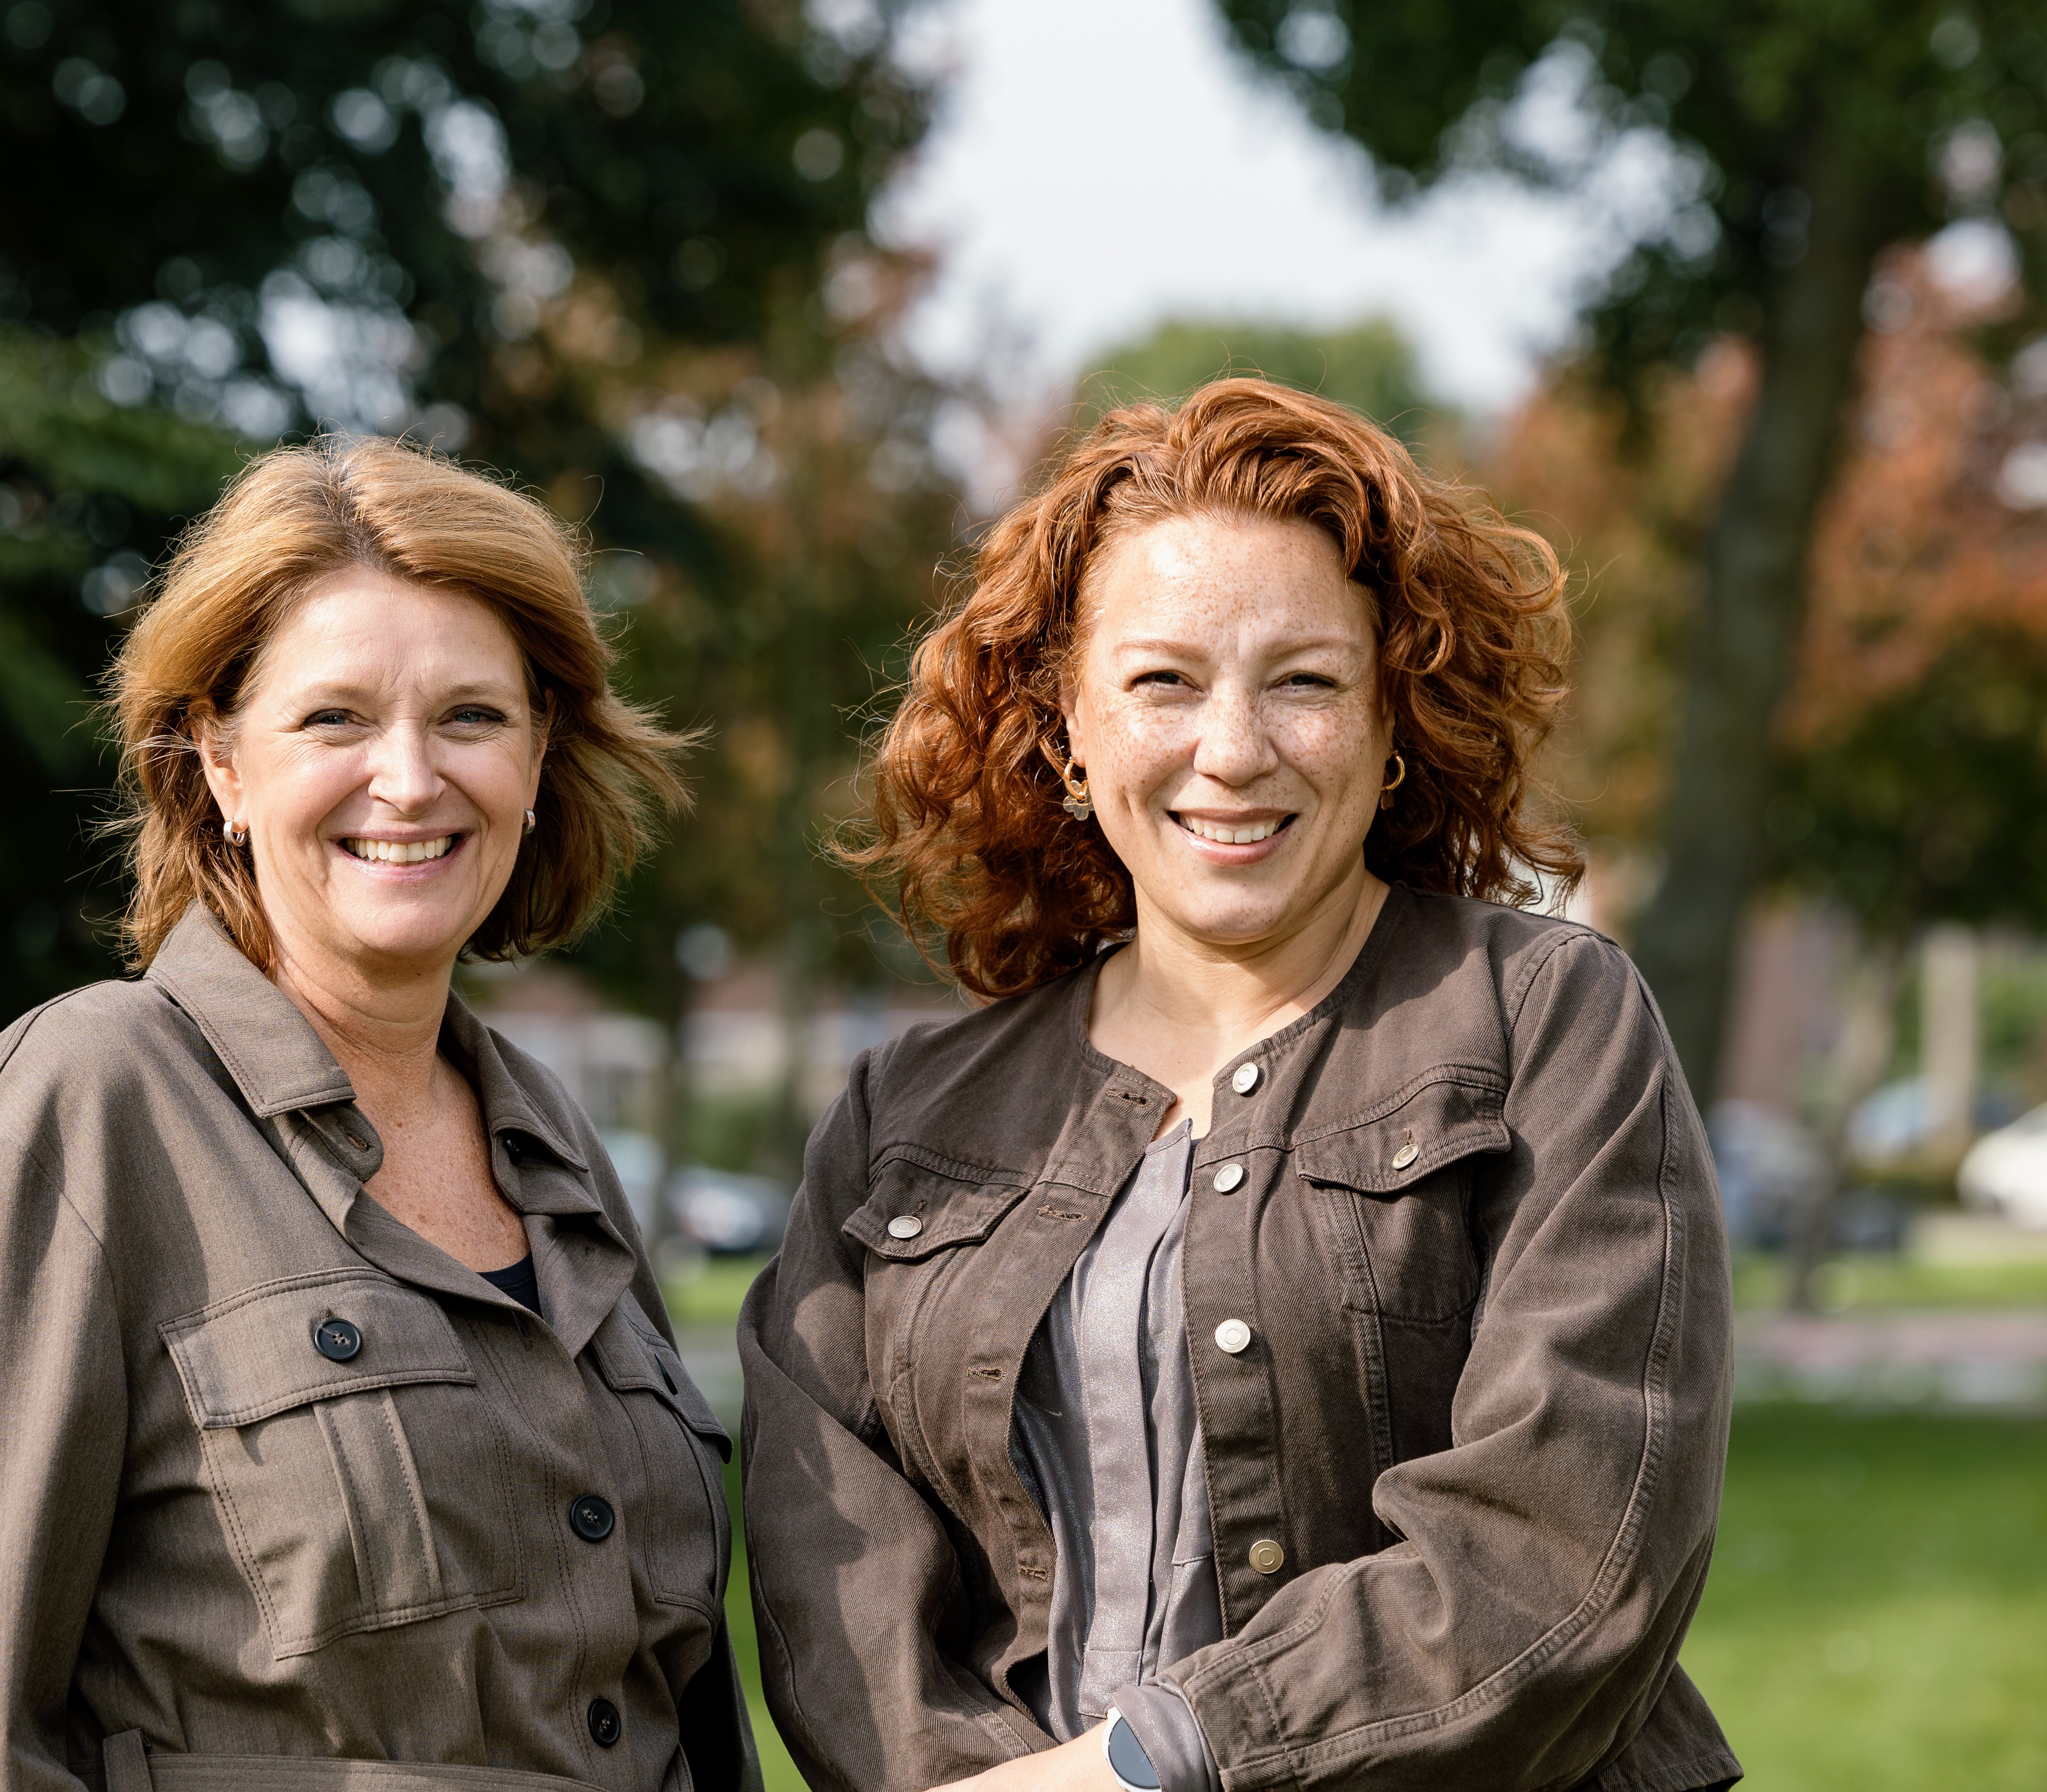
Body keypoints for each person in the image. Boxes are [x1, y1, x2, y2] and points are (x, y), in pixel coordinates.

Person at [738, 382, 1739, 1792]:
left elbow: (1571, 1536)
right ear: (1069, 731)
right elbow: (825, 1561)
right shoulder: (907, 1113)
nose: (1233, 749)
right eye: (1163, 681)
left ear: (1396, 722)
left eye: (1305, 681)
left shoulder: (1547, 1022)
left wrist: (1164, 1764)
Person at [0, 437, 758, 1792]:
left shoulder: (551, 1137)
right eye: (334, 720)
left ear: (542, 755)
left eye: (472, 718)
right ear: (221, 762)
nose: (410, 778)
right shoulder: (82, 1117)